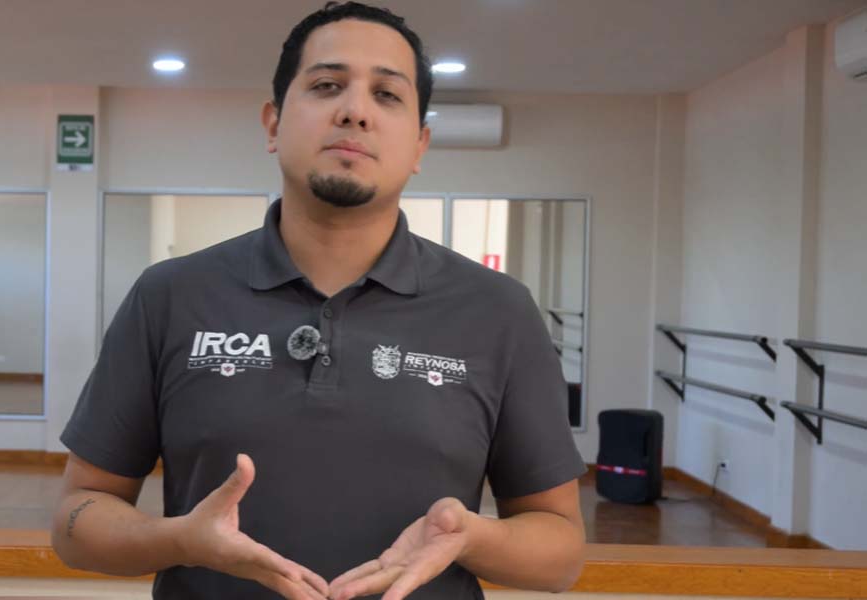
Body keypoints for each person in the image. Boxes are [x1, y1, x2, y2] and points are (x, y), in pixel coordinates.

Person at [51, 2, 586, 599]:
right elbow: (77, 520)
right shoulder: (170, 296)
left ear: (419, 146)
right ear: (273, 124)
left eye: (387, 95)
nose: (355, 111)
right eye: (327, 85)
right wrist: (179, 540)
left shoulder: (498, 311)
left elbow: (560, 555)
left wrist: (471, 538)